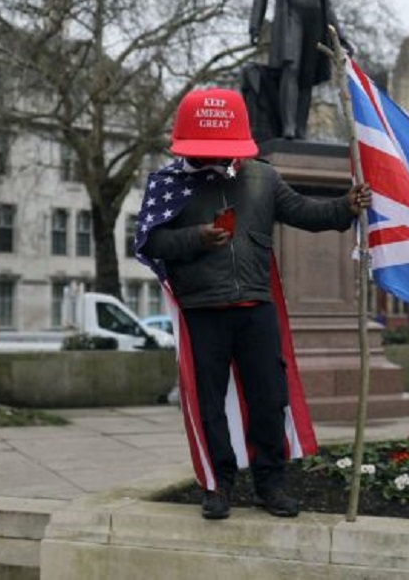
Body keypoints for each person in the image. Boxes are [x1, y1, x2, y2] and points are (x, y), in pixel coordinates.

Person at [136, 87, 370, 520]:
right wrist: (197, 237)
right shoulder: (169, 185)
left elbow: (305, 213)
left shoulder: (263, 178)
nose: (215, 160)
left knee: (269, 399)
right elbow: (153, 242)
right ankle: (218, 486)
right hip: (202, 310)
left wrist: (345, 208)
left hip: (256, 308)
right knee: (210, 404)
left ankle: (271, 484)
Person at [249, 0, 348, 140]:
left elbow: (327, 6)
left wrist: (340, 37)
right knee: (291, 68)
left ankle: (301, 128)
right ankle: (289, 125)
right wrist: (255, 25)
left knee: (307, 76)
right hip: (290, 19)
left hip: (315, 22)